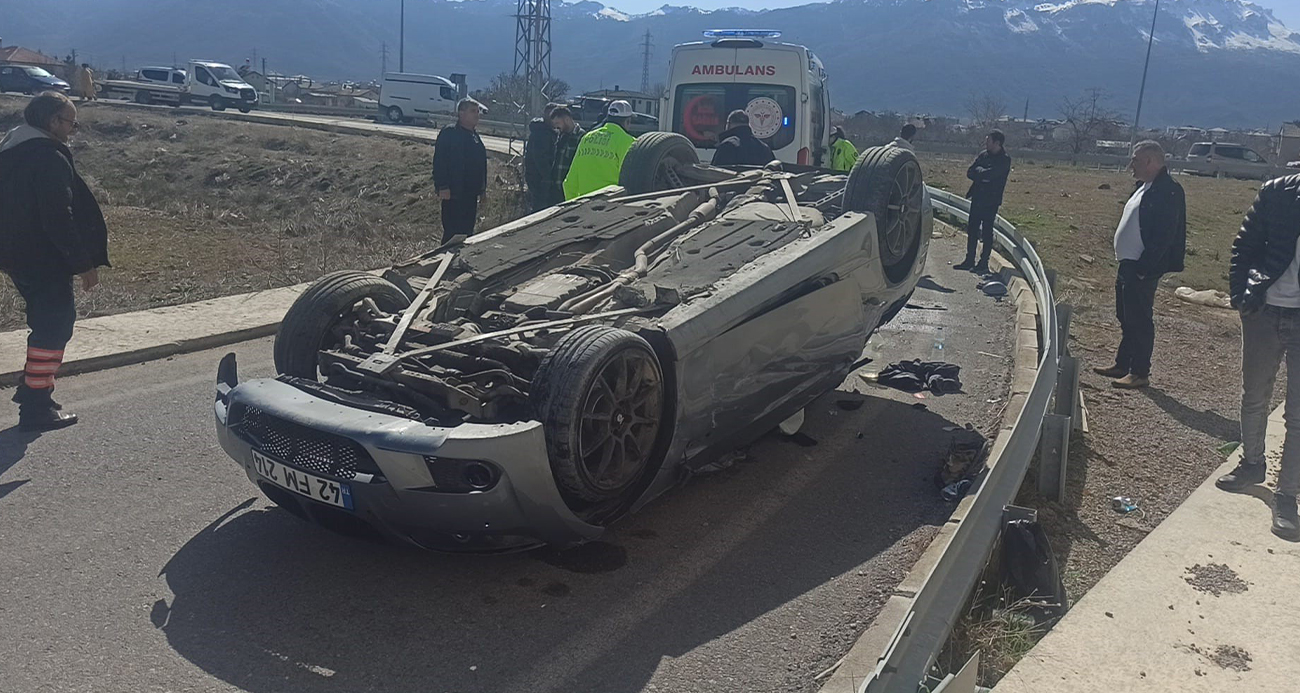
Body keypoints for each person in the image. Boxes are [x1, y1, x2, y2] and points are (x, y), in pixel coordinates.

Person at [0, 92, 109, 431]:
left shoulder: (12, 150)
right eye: (70, 122)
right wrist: (83, 263)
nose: (73, 130)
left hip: (16, 255)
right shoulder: (47, 156)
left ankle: (35, 391)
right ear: (52, 122)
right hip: (43, 258)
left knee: (46, 323)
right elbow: (58, 217)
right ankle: (35, 405)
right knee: (54, 326)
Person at [1219, 171, 1300, 540]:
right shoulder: (1278, 191)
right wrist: (1241, 294)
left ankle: (1286, 496)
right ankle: (1252, 462)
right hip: (1265, 311)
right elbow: (1245, 245)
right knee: (1254, 396)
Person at [1091, 141, 1186, 390]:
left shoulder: (1168, 190)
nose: (1130, 165)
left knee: (1140, 319)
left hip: (1142, 267)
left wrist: (1145, 267)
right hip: (1128, 264)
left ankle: (1140, 371)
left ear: (1150, 162)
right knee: (1125, 316)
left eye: (1135, 160)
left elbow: (1165, 235)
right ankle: (1123, 363)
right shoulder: (1144, 187)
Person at [955, 130, 1012, 274]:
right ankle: (969, 260)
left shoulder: (1004, 159)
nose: (986, 143)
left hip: (991, 200)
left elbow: (991, 175)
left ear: (997, 143)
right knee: (972, 229)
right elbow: (970, 172)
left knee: (987, 232)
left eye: (989, 141)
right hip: (977, 197)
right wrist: (982, 174)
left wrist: (980, 174)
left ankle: (983, 262)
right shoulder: (983, 155)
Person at [432, 98, 488, 243]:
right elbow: (440, 162)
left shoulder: (475, 136)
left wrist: (482, 190)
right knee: (452, 232)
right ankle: (443, 261)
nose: (477, 115)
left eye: (478, 112)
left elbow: (480, 165)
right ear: (461, 113)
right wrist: (442, 186)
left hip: (470, 194)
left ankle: (460, 261)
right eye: (472, 111)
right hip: (454, 193)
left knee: (467, 231)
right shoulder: (450, 133)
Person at [563, 100, 636, 200]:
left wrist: (572, 205)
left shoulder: (587, 138)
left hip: (584, 206)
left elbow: (570, 183)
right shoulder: (630, 142)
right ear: (628, 121)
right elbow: (632, 181)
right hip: (612, 208)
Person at [524, 103, 559, 212]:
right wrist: (548, 177)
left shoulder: (549, 132)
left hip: (540, 178)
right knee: (540, 208)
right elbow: (540, 158)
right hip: (539, 179)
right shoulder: (541, 133)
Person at [711, 110, 775, 168]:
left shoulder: (727, 146)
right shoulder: (764, 148)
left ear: (728, 124)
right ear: (748, 125)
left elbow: (715, 173)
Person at [549, 106, 584, 205]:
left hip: (570, 189)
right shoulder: (560, 136)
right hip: (556, 188)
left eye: (558, 123)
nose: (556, 127)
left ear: (567, 119)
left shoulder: (581, 137)